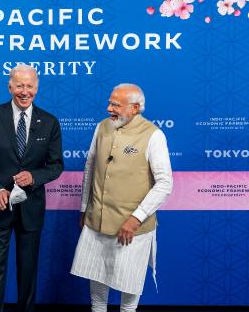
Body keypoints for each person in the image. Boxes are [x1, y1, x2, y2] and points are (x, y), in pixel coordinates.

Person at [70, 84, 173, 312]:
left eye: (115, 105)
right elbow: (90, 168)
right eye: (110, 103)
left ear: (135, 107)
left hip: (132, 228)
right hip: (96, 222)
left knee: (129, 291)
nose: (109, 108)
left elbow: (165, 183)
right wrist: (84, 209)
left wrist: (135, 219)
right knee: (97, 289)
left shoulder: (154, 135)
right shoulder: (102, 127)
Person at [0, 64, 64, 312]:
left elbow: (56, 165)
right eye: (20, 85)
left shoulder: (50, 122)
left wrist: (33, 176)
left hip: (31, 210)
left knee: (28, 274)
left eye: (30, 85)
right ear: (10, 86)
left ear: (37, 87)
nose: (25, 91)